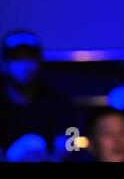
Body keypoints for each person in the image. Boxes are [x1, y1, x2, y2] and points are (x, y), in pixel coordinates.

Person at [0, 30, 78, 158]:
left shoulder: (60, 102)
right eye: (17, 57)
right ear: (5, 63)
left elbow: (72, 140)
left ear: (39, 61)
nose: (25, 65)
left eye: (30, 57)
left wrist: (61, 154)